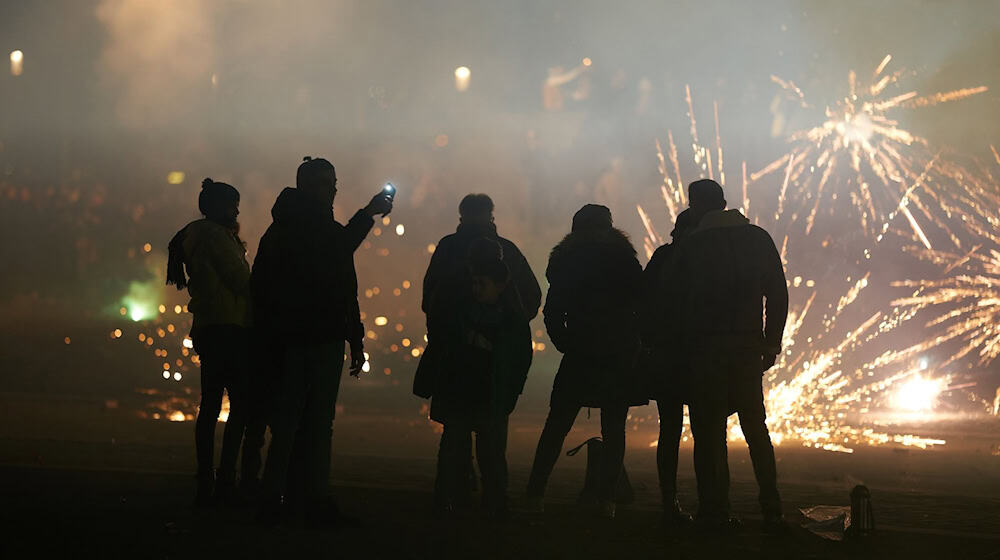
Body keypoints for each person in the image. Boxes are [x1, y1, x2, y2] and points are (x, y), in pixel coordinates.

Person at [240, 159, 392, 497]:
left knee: (299, 425)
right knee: (306, 425)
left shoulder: (291, 227)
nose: (333, 189)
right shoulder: (300, 228)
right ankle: (300, 498)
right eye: (326, 183)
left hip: (307, 338)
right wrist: (367, 213)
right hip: (302, 341)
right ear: (306, 186)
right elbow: (338, 251)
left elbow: (341, 279)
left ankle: (286, 497)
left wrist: (354, 337)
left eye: (334, 182)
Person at [669, 179, 788, 533]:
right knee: (756, 429)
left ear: (694, 207)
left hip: (705, 352)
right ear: (724, 203)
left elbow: (673, 302)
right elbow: (778, 294)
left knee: (708, 435)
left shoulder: (693, 246)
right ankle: (771, 508)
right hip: (747, 350)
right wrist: (771, 342)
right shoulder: (758, 238)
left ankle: (715, 510)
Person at [418, 193, 541, 502]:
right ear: (491, 214)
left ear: (462, 215)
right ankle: (495, 505)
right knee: (492, 447)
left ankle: (449, 499)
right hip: (492, 371)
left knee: (453, 441)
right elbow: (532, 297)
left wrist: (444, 338)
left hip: (454, 364)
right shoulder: (508, 253)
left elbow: (428, 301)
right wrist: (508, 331)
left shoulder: (448, 249)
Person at [525, 204, 646, 519]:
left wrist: (567, 343)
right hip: (617, 355)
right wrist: (632, 345)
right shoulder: (625, 261)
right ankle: (608, 501)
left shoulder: (568, 262)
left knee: (557, 426)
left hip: (581, 354)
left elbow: (553, 312)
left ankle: (535, 494)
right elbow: (643, 307)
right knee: (614, 428)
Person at [166, 178, 251, 506]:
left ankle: (206, 476)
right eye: (232, 204)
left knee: (211, 404)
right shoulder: (215, 237)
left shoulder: (202, 235)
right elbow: (240, 280)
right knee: (239, 405)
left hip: (210, 327)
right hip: (228, 328)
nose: (237, 210)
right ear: (218, 207)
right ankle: (225, 477)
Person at [640, 209, 696, 526]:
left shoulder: (664, 256)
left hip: (667, 354)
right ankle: (706, 503)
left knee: (670, 428)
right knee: (701, 429)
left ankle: (668, 499)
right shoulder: (700, 256)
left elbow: (644, 300)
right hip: (693, 354)